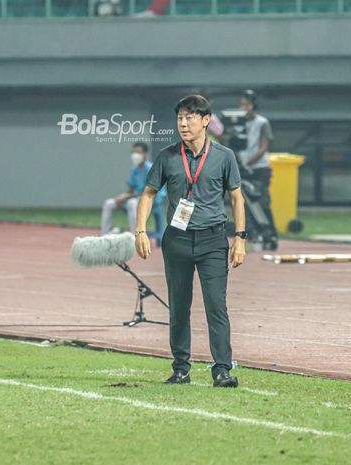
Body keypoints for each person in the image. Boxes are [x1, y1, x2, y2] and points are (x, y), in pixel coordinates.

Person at [135, 94, 246, 388]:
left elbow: (236, 197)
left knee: (215, 306)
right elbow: (147, 193)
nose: (183, 124)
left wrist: (241, 239)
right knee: (179, 306)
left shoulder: (224, 156)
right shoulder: (168, 156)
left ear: (206, 121)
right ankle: (181, 369)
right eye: (179, 119)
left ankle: (222, 369)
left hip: (213, 240)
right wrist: (141, 231)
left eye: (189, 118)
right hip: (178, 241)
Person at [237, 89, 278, 248]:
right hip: (242, 167)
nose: (244, 108)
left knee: (262, 202)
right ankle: (253, 234)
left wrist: (249, 162)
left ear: (253, 105)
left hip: (259, 168)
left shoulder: (262, 122)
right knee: (244, 204)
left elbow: (263, 147)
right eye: (241, 105)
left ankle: (270, 234)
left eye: (247, 104)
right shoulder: (237, 123)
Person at [101, 142, 155, 235]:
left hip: (148, 199)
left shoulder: (151, 168)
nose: (135, 155)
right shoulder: (135, 169)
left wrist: (126, 197)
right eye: (134, 152)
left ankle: (135, 235)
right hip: (134, 198)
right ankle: (104, 235)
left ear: (145, 154)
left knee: (131, 203)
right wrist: (121, 197)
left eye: (138, 152)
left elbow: (150, 191)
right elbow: (131, 189)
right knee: (108, 203)